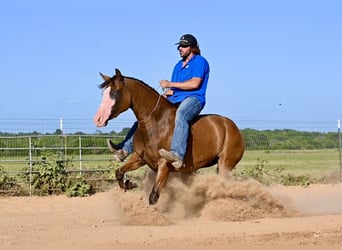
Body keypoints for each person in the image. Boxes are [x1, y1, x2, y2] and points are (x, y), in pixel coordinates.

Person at [109, 34, 210, 168]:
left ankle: (177, 154)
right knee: (146, 117)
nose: (180, 48)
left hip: (194, 98)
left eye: (184, 46)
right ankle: (124, 149)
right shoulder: (178, 66)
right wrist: (162, 96)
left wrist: (169, 84)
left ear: (192, 48)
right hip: (176, 98)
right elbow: (174, 89)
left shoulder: (200, 61)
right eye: (179, 46)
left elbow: (194, 84)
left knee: (181, 115)